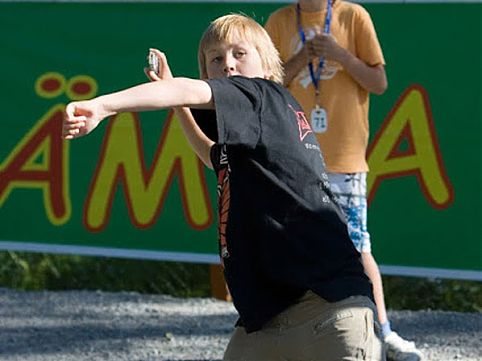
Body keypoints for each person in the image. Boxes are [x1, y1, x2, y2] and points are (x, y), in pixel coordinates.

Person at [63, 14, 384, 360]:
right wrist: (178, 103)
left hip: (328, 312)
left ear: (267, 66)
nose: (228, 65)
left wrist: (102, 106)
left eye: (239, 53)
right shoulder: (258, 128)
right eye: (216, 59)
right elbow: (212, 156)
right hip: (270, 320)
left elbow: (186, 89)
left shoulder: (261, 94)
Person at [265, 1, 423, 361]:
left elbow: (378, 82)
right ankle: (294, 335)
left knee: (357, 247)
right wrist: (303, 57)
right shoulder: (280, 21)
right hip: (293, 159)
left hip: (345, 160)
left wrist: (339, 54)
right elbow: (267, 85)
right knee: (289, 248)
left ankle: (384, 332)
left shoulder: (354, 17)